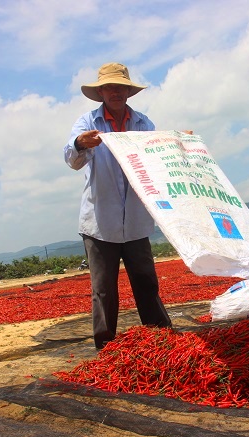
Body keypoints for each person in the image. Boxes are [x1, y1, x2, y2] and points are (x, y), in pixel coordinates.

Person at [64, 62, 172, 350]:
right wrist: (80, 143)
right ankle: (106, 348)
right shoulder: (88, 123)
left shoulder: (143, 124)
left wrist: (176, 145)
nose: (115, 92)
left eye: (120, 87)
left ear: (128, 91)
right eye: (109, 87)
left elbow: (157, 160)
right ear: (101, 92)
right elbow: (71, 159)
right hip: (100, 222)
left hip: (136, 221)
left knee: (146, 282)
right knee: (104, 291)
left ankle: (161, 339)